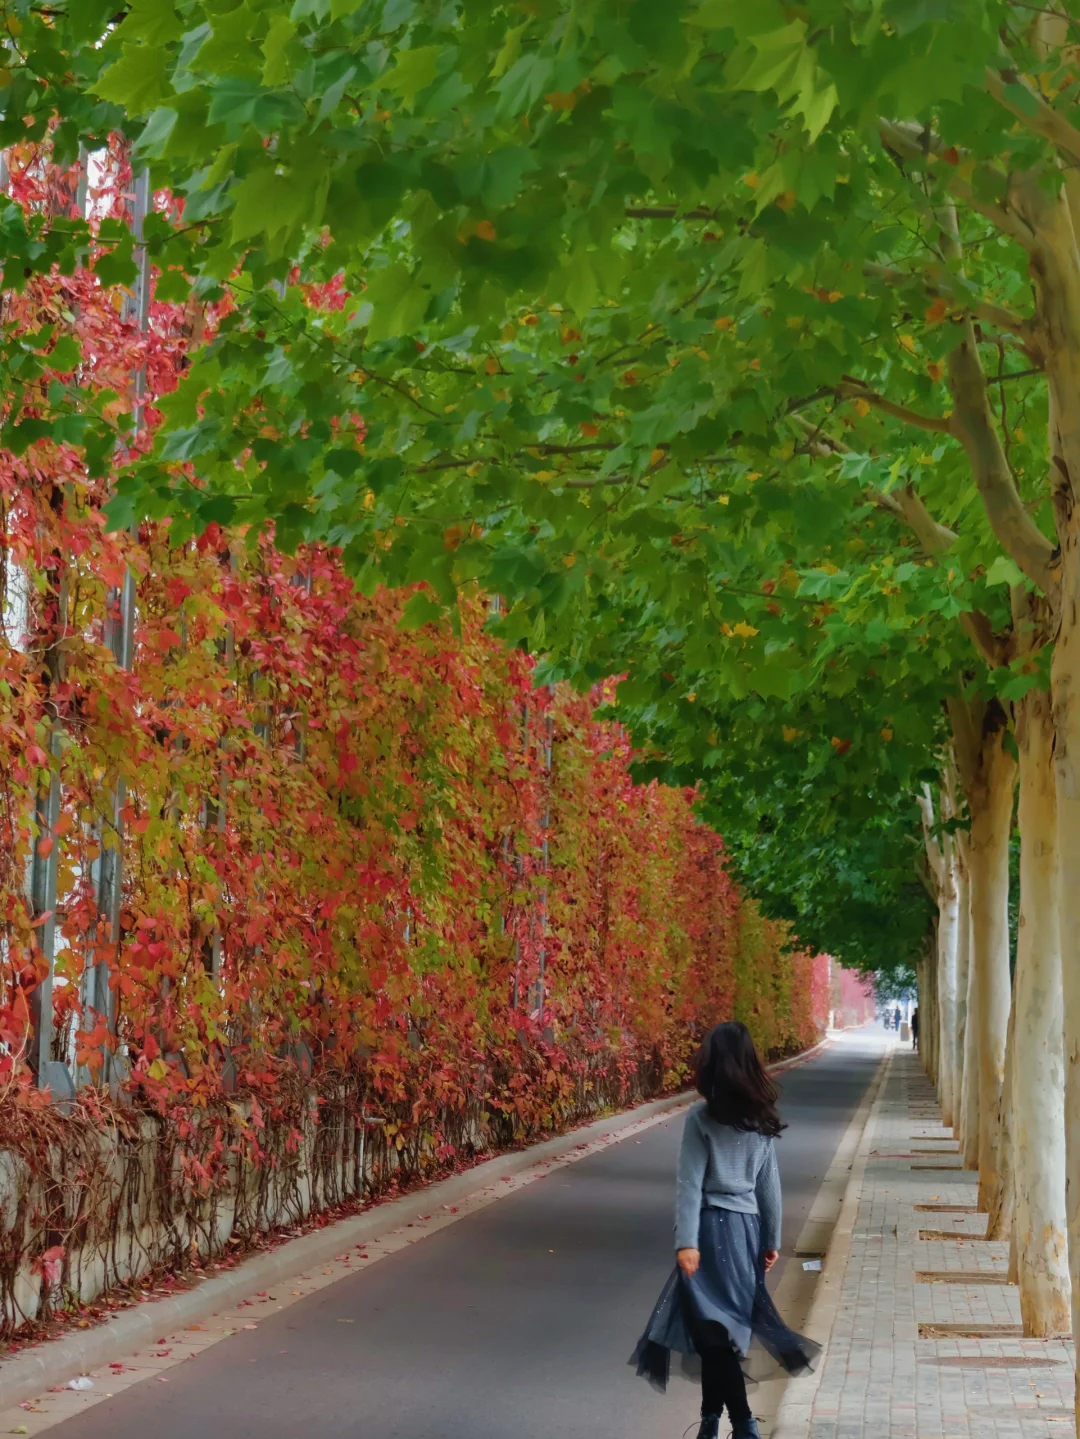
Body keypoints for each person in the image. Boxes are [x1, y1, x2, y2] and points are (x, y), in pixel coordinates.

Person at [630, 1022, 819, 1439]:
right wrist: (770, 1239)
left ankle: (744, 1425)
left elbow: (689, 1183)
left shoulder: (702, 1117)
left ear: (711, 1064)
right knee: (719, 1332)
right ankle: (711, 1422)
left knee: (713, 1335)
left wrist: (686, 1242)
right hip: (745, 1232)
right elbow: (769, 1185)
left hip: (709, 1234)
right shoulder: (762, 1120)